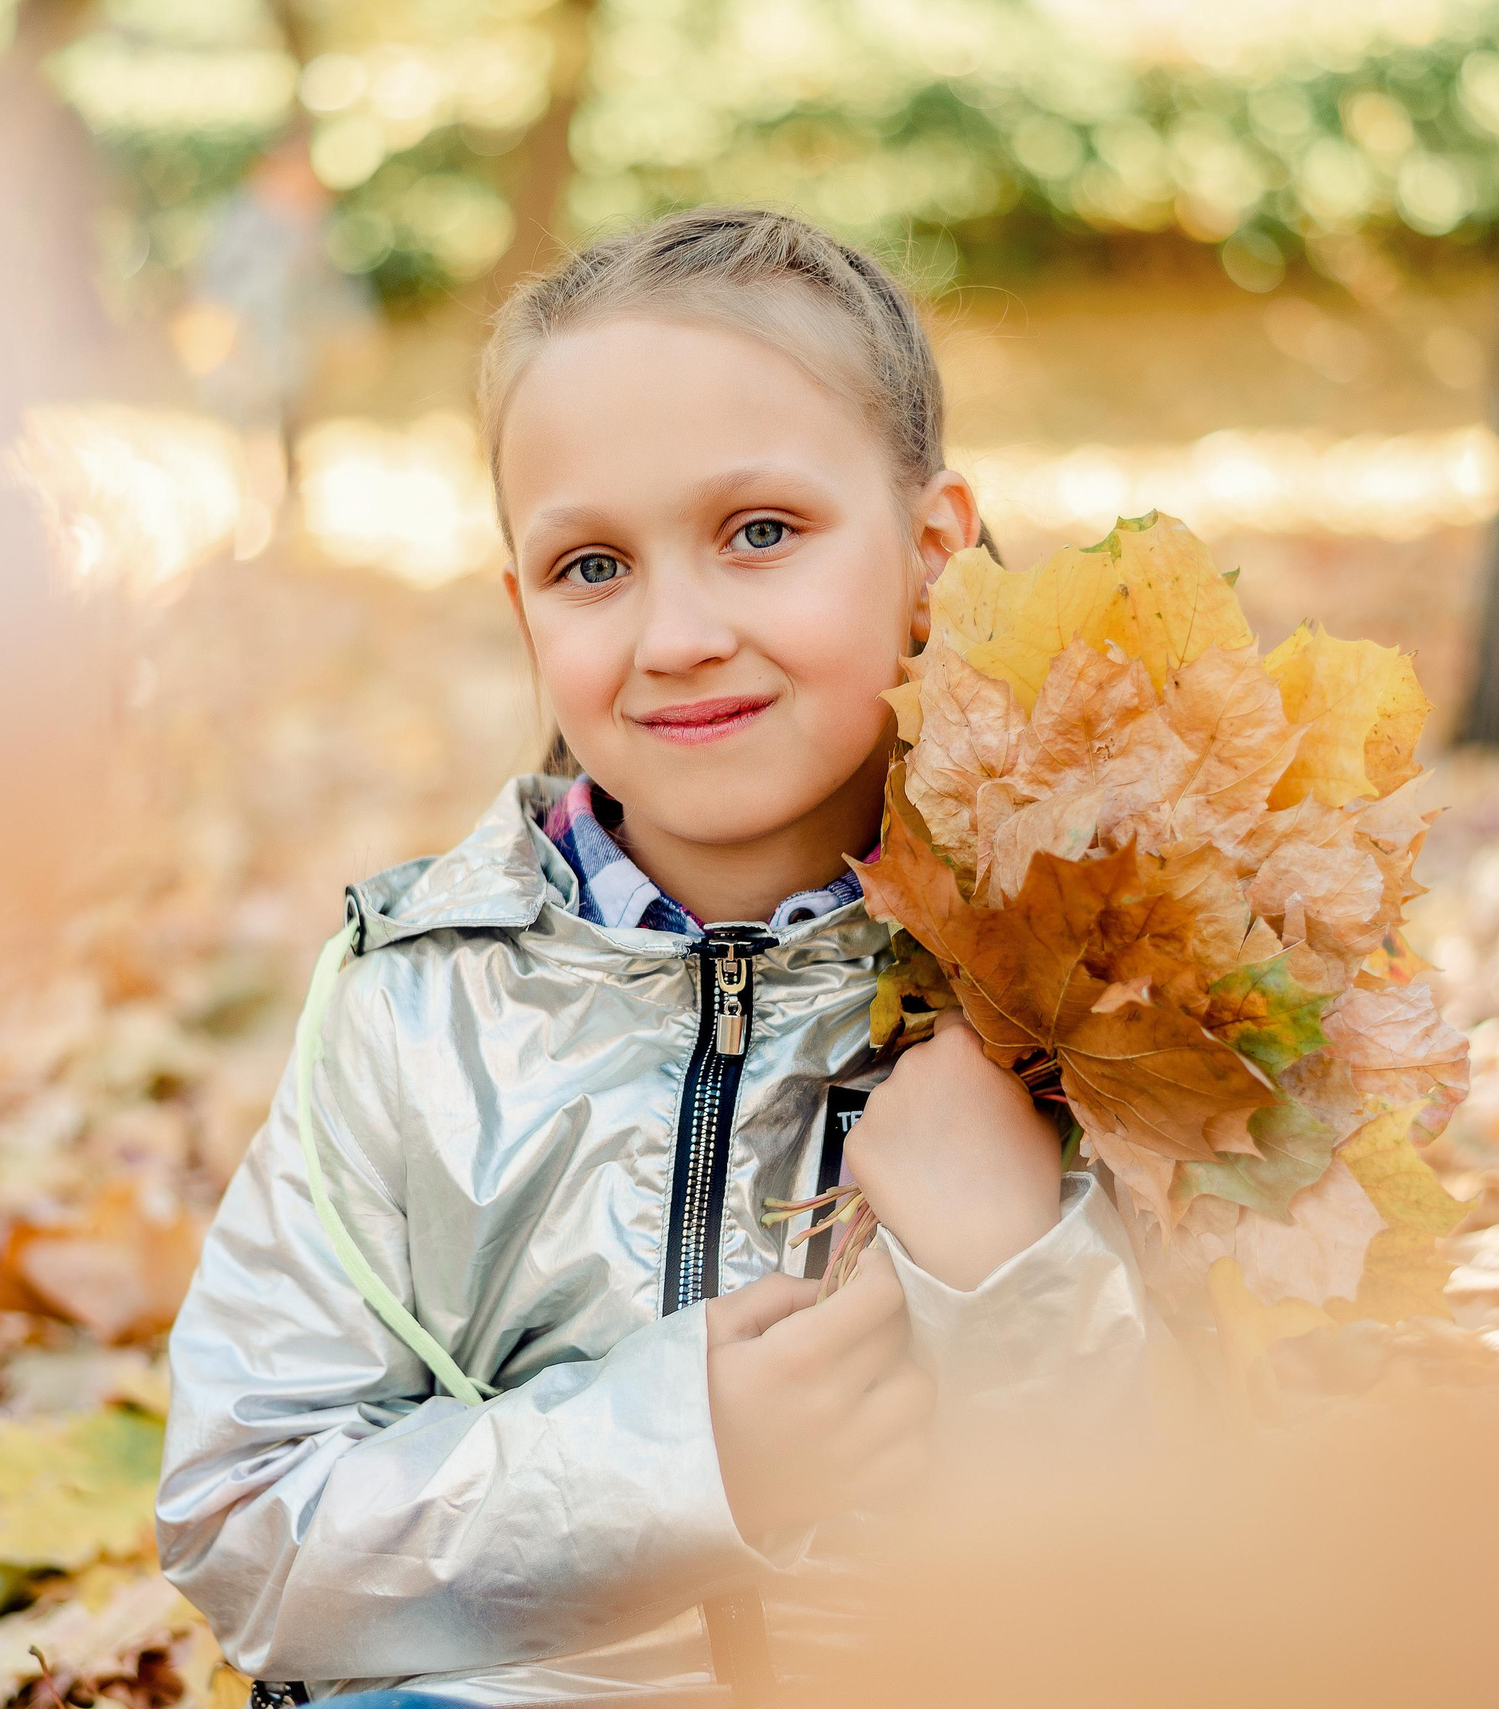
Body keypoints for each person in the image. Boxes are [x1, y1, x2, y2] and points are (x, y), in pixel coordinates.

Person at [157, 207, 1156, 1706]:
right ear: (522, 609)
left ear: (931, 549)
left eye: (761, 533)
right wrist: (681, 1458)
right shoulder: (415, 1004)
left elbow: (1200, 1562)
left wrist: (1018, 1263)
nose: (677, 632)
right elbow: (246, 1528)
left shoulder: (1098, 990)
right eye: (592, 564)